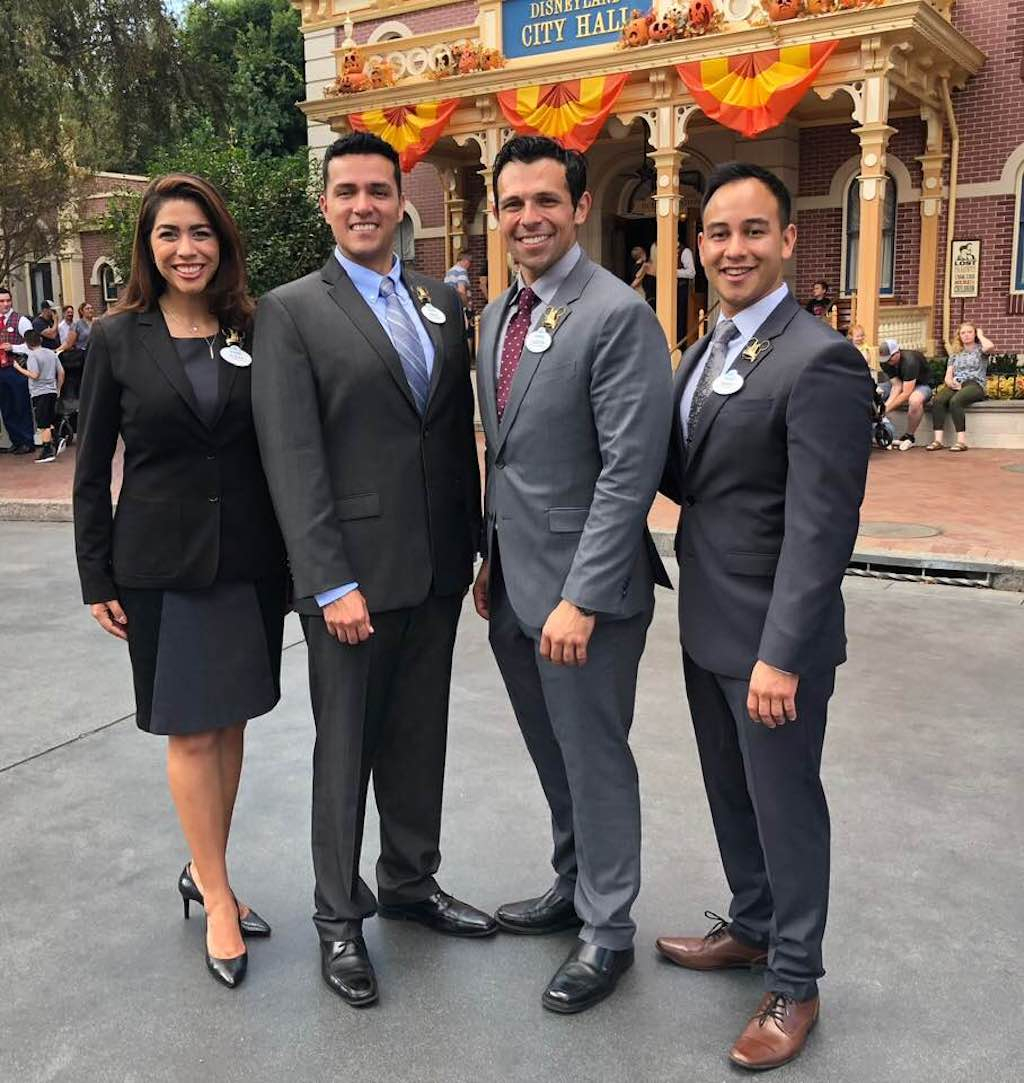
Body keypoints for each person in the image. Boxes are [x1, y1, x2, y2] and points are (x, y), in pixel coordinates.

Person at [251, 132, 494, 1011]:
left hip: (433, 569)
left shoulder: (437, 300)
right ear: (327, 204)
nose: (363, 204)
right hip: (349, 580)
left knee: (418, 739)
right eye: (346, 190)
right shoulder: (291, 311)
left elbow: (448, 434)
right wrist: (327, 580)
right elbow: (292, 456)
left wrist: (474, 550)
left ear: (401, 202)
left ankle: (410, 881)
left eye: (378, 191)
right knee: (345, 749)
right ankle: (339, 916)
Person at [657, 162, 872, 1071]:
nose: (733, 248)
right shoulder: (705, 351)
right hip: (708, 622)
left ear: (788, 240)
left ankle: (795, 978)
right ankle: (750, 925)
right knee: (729, 791)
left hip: (772, 646)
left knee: (786, 806)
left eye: (753, 231)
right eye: (717, 232)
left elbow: (823, 528)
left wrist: (782, 655)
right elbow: (687, 475)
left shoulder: (819, 357)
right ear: (697, 244)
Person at [73, 173, 288, 990]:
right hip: (161, 564)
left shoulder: (253, 326)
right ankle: (221, 897)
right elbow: (91, 468)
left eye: (200, 233)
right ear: (148, 247)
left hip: (249, 562)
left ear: (221, 242)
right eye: (169, 235)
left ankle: (207, 871)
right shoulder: (118, 336)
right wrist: (95, 573)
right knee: (190, 731)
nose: (186, 249)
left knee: (231, 724)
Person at [473, 135, 673, 1014]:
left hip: (584, 598)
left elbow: (630, 471)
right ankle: (572, 884)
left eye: (545, 201)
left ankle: (608, 929)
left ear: (580, 207)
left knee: (593, 758)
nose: (529, 218)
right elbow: (507, 457)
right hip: (514, 586)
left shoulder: (617, 314)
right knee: (552, 753)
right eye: (513, 204)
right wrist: (491, 555)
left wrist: (581, 596)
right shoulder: (495, 317)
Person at [927, 321, 994, 452]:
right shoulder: (955, 354)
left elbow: (990, 346)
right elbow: (948, 375)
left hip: (974, 384)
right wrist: (950, 382)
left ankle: (961, 442)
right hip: (956, 383)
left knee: (955, 401)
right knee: (938, 400)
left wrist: (980, 335)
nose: (966, 335)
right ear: (959, 336)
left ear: (974, 334)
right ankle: (938, 440)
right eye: (963, 333)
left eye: (970, 332)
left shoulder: (980, 350)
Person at [14, 330, 64, 462]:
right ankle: (57, 439)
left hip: (39, 392)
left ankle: (47, 450)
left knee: (43, 423)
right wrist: (57, 388)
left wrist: (19, 369)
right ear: (40, 340)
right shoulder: (51, 353)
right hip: (52, 390)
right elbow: (61, 372)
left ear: (27, 343)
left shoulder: (32, 356)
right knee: (49, 418)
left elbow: (34, 375)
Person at [0, 285, 37, 454]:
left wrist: (13, 347)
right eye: (2, 301)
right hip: (1, 371)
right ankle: (16, 440)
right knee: (6, 407)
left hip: (16, 369)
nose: (6, 304)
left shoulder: (21, 320)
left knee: (20, 405)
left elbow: (32, 344)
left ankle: (27, 440)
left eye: (8, 300)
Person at [878, 338, 932, 451]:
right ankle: (874, 432)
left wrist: (885, 410)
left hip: (921, 385)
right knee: (876, 391)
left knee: (915, 400)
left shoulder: (910, 361)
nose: (887, 362)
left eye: (890, 358)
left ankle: (909, 436)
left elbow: (906, 393)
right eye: (885, 359)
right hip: (902, 382)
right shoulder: (885, 361)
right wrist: (884, 408)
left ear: (897, 352)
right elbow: (897, 386)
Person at [444, 249, 475, 362]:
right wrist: (467, 305)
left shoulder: (449, 271)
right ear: (464, 260)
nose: (470, 265)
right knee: (468, 334)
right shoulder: (461, 271)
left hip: (451, 307)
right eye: (470, 261)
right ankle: (467, 360)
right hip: (462, 308)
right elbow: (461, 290)